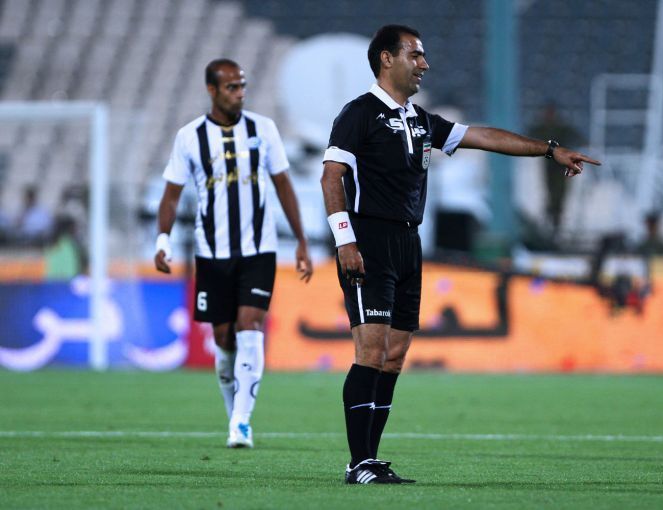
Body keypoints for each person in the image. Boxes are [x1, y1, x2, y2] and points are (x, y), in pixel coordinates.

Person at [321, 25, 600, 484]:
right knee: (370, 350)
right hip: (369, 241)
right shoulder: (359, 113)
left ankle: (369, 459)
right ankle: (359, 463)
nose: (424, 64)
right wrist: (345, 240)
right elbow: (332, 176)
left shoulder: (419, 119)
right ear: (387, 59)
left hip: (409, 243)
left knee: (394, 354)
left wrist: (548, 150)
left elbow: (483, 137)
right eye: (415, 55)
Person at [155, 58, 313, 448]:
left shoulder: (264, 129)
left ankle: (242, 421)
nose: (240, 93)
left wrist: (301, 240)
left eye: (242, 86)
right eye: (231, 87)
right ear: (212, 90)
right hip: (212, 253)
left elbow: (284, 185)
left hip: (259, 249)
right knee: (224, 336)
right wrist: (163, 239)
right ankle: (234, 416)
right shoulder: (190, 137)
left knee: (250, 325)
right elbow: (171, 195)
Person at [529, 102, 583, 238]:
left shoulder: (560, 128)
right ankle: (552, 221)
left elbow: (575, 137)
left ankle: (555, 223)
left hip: (561, 166)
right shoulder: (544, 128)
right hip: (550, 166)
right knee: (551, 194)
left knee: (559, 195)